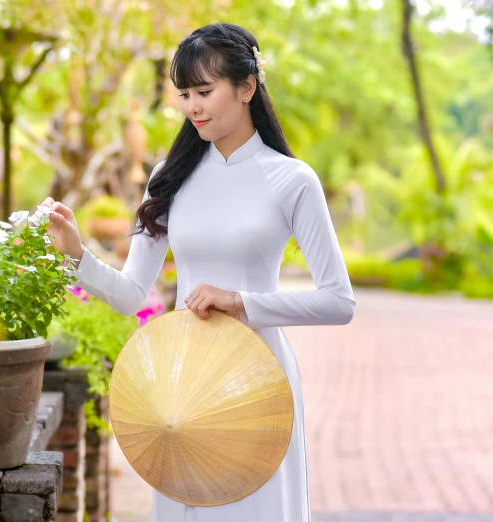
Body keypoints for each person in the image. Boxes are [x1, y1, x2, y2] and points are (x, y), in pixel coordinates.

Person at [42, 22, 355, 522]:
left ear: (247, 87)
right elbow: (129, 295)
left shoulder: (292, 180)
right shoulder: (170, 176)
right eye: (185, 94)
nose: (193, 107)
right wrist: (78, 255)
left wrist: (241, 302)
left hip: (258, 379)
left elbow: (340, 302)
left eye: (205, 92)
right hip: (182, 385)